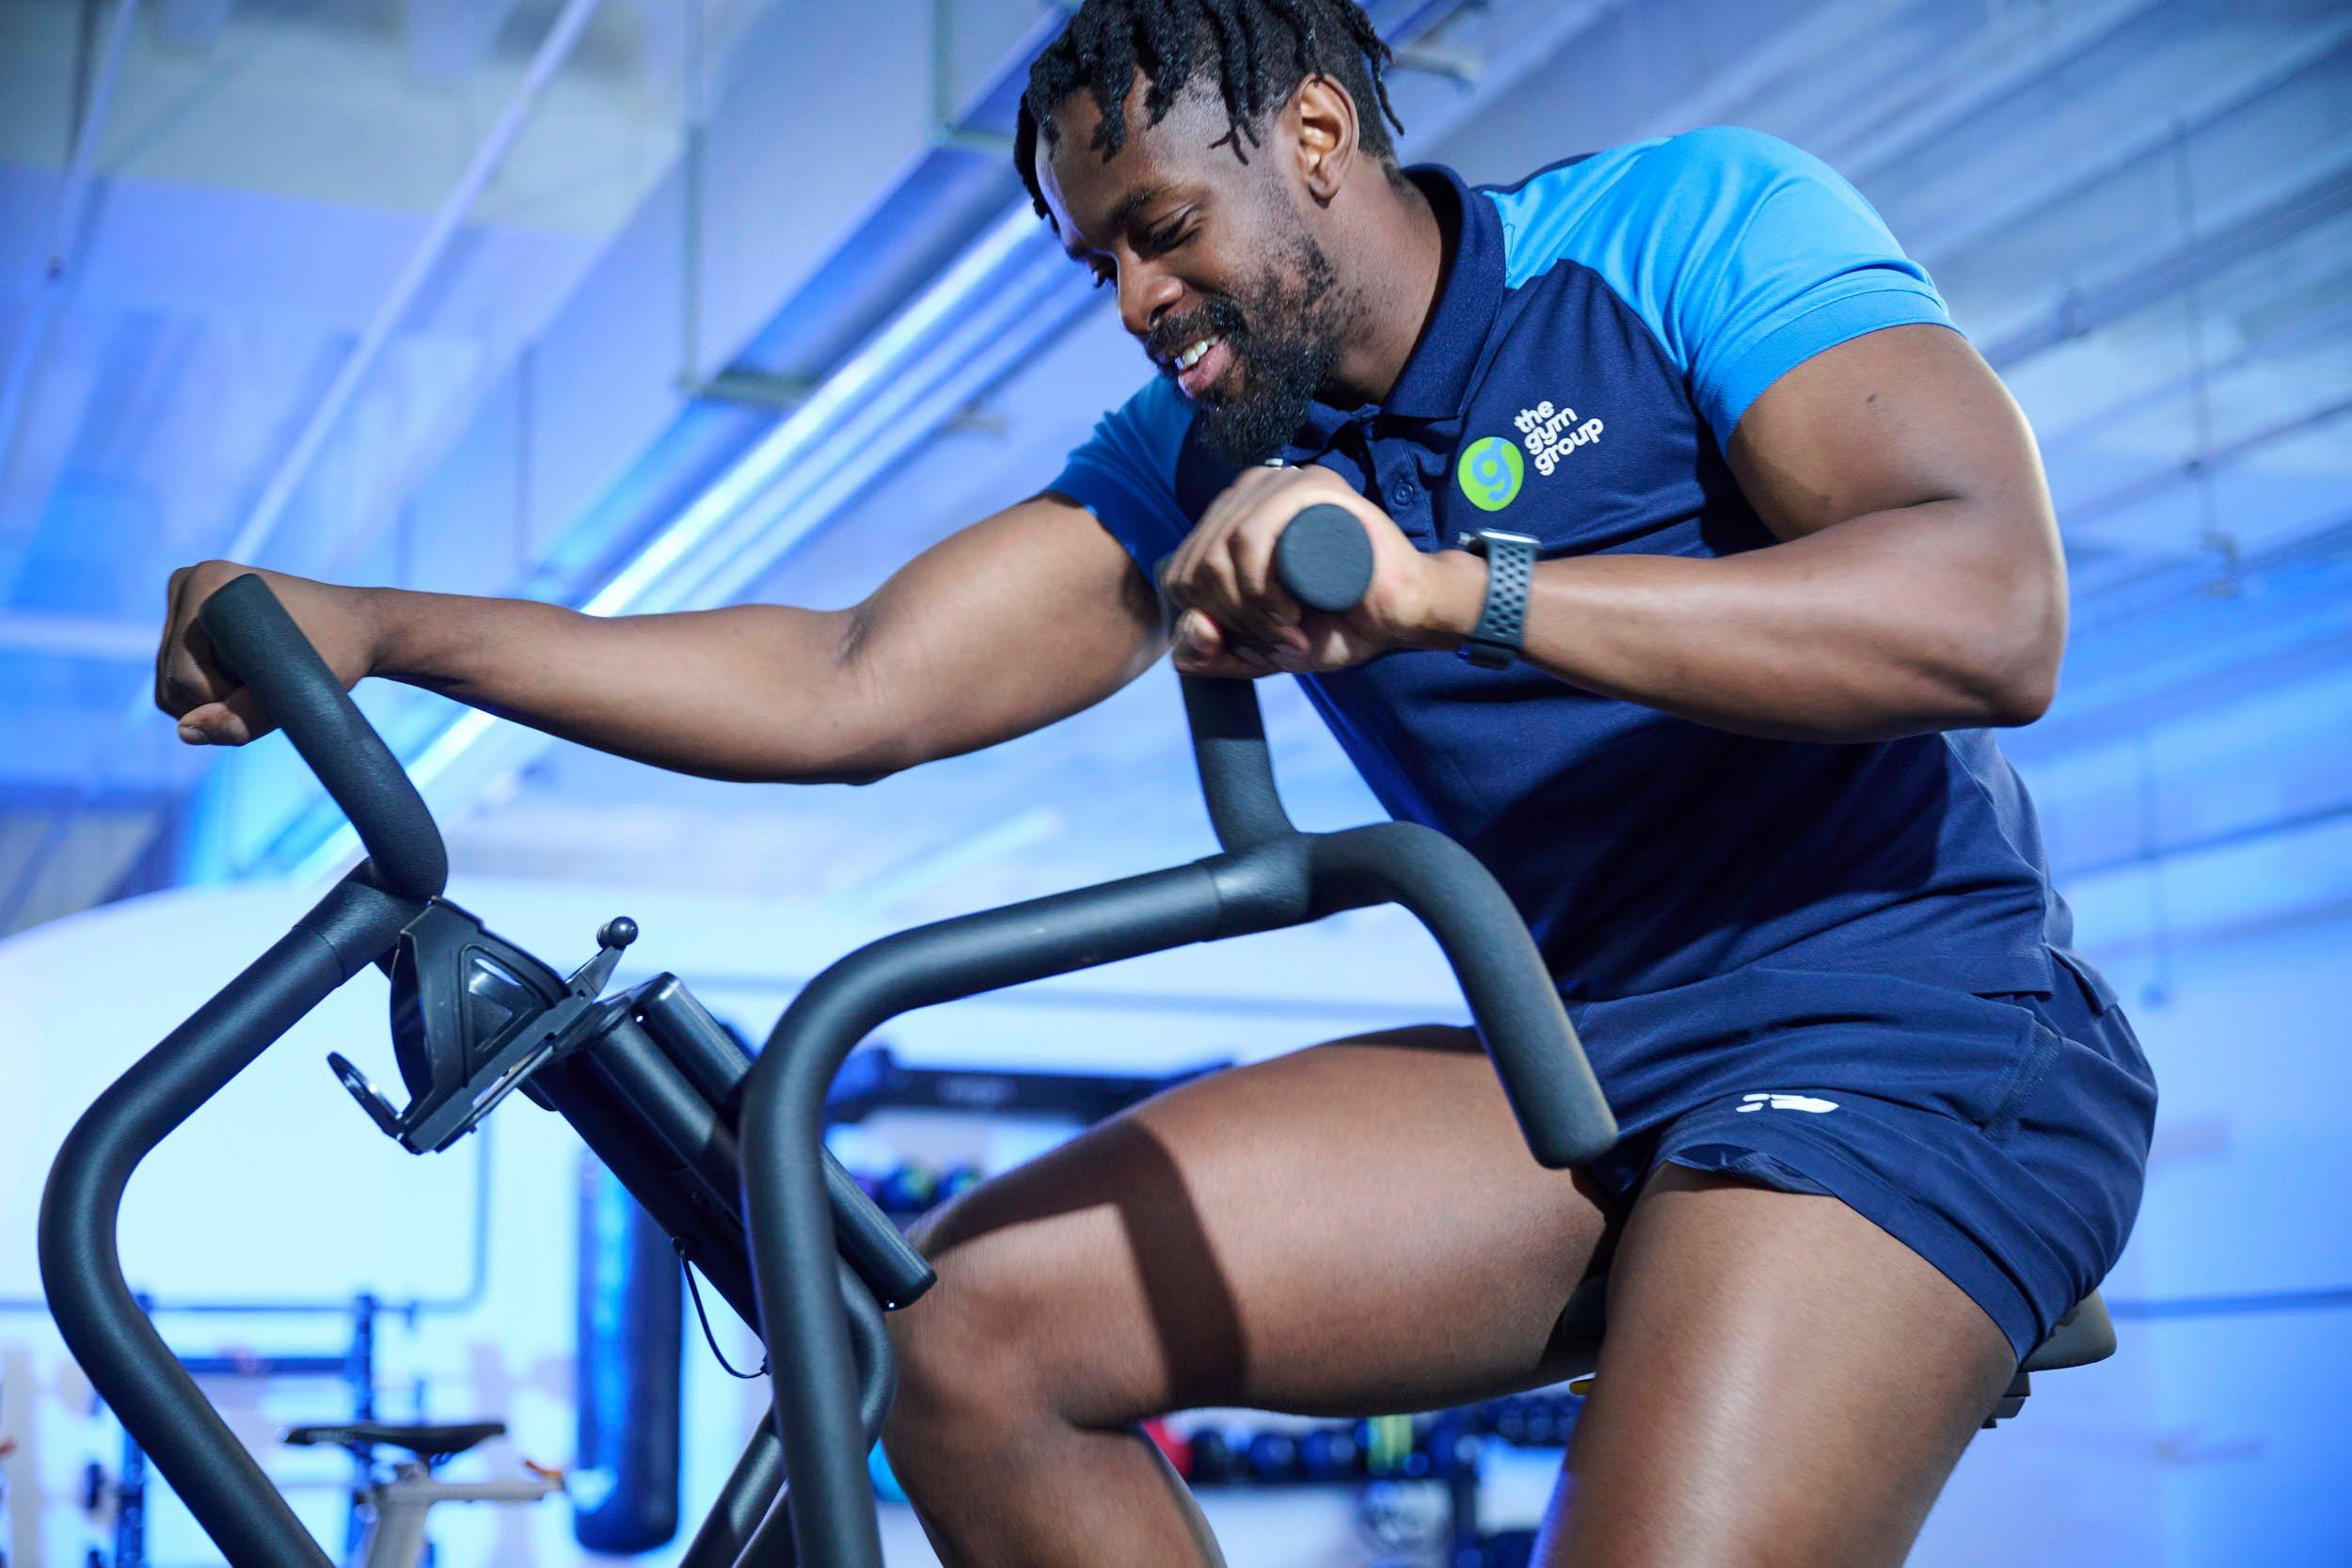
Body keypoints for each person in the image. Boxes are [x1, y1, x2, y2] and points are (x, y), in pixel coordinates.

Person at [153, 1, 2157, 1562]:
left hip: (1912, 1034)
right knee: (963, 1334)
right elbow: (848, 680)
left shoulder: (1684, 229)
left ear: (1310, 140)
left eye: (1159, 233)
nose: (1130, 303)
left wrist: (1451, 590)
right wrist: (383, 628)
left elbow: (1983, 610)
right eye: (1094, 262)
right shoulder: (1206, 448)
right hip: (1573, 1057)